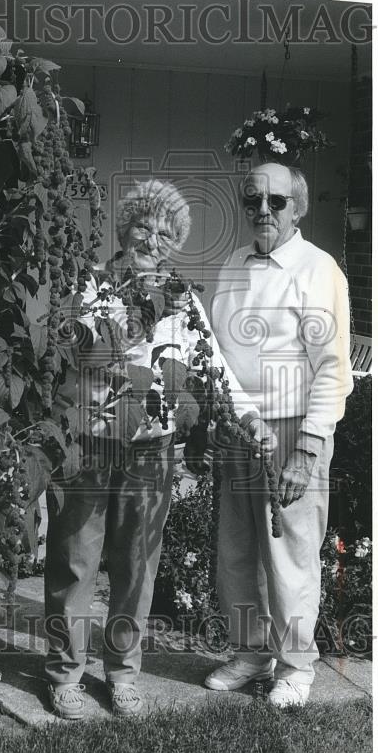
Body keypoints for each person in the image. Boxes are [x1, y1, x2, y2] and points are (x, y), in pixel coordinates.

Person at [44, 179, 273, 719]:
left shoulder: (183, 300)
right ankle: (64, 674)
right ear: (124, 229)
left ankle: (122, 672)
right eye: (144, 226)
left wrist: (248, 416)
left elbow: (212, 366)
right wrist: (133, 320)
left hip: (152, 450)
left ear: (175, 243)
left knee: (138, 566)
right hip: (93, 443)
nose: (153, 238)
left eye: (166, 232)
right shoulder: (90, 286)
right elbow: (78, 352)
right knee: (77, 561)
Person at [205, 161, 353, 707]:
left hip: (294, 428)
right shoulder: (233, 266)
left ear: (299, 207)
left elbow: (333, 368)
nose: (262, 211)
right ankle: (251, 654)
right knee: (237, 552)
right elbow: (219, 351)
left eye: (276, 201)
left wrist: (308, 448)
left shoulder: (319, 270)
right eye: (252, 201)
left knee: (291, 553)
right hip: (241, 428)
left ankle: (296, 667)